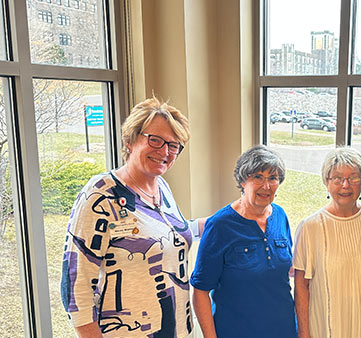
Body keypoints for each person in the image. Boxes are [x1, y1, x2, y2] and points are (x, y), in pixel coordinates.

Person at [60, 97, 201, 337]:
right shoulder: (101, 195)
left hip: (177, 329)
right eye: (155, 140)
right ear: (130, 139)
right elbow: (76, 287)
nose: (164, 151)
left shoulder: (161, 187)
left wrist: (228, 218)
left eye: (173, 145)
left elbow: (168, 233)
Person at [190, 145, 297, 338]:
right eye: (258, 177)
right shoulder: (220, 226)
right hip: (236, 330)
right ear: (242, 180)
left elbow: (288, 268)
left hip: (284, 329)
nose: (266, 186)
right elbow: (200, 291)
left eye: (273, 178)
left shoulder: (280, 216)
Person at [293, 147, 361, 338]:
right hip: (328, 329)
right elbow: (301, 287)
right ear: (326, 182)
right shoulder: (310, 227)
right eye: (337, 178)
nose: (345, 185)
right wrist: (304, 333)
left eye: (353, 178)